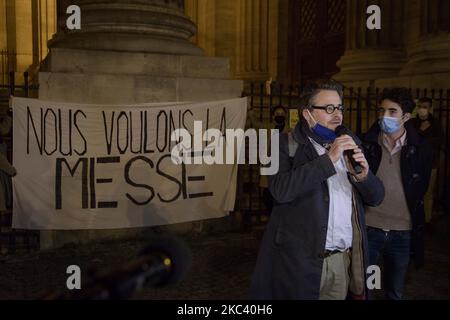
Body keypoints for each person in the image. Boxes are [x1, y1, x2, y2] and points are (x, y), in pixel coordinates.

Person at [249, 80, 385, 300]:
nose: (337, 115)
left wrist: (364, 177)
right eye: (328, 108)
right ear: (307, 113)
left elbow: (377, 197)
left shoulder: (351, 143)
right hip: (299, 262)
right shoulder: (280, 144)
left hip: (341, 261)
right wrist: (328, 161)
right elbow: (279, 191)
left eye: (340, 108)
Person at [361, 88, 433, 300]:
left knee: (395, 291)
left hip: (402, 232)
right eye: (381, 110)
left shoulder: (421, 149)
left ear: (406, 116)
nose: (385, 116)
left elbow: (421, 188)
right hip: (370, 229)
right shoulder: (367, 144)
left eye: (392, 111)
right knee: (364, 288)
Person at [413, 97, 443, 223]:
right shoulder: (413, 123)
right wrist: (422, 131)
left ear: (430, 108)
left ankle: (427, 220)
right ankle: (414, 218)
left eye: (425, 107)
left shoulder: (436, 124)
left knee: (428, 192)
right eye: (420, 106)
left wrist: (422, 134)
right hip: (414, 162)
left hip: (430, 163)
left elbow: (437, 142)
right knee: (414, 191)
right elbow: (412, 140)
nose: (422, 110)